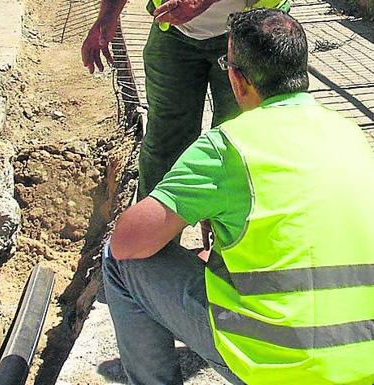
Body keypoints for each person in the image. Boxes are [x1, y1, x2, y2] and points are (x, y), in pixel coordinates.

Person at [103, 9, 374, 385]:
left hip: (278, 368)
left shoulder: (229, 146)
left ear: (236, 78)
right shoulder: (352, 135)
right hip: (362, 364)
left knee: (119, 263)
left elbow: (126, 243)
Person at [82, 0, 288, 202]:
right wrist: (108, 16)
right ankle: (156, 234)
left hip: (256, 32)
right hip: (174, 33)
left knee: (240, 147)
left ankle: (229, 231)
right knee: (163, 148)